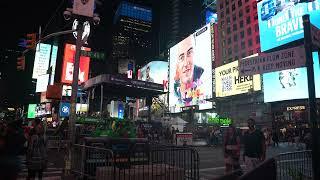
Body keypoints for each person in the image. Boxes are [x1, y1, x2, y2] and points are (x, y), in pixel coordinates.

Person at [173, 35, 204, 106]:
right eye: (181, 57)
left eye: (189, 53)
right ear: (177, 65)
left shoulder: (205, 84)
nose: (186, 63)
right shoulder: (174, 94)